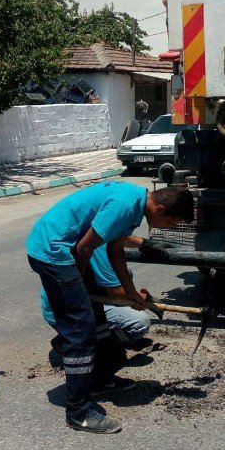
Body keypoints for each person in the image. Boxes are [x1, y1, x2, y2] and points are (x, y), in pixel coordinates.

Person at [26, 182, 195, 434]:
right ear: (159, 210)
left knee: (99, 322)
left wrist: (131, 293)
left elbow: (115, 249)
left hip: (68, 250)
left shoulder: (135, 203)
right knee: (80, 329)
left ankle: (100, 378)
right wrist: (80, 287)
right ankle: (78, 411)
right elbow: (84, 248)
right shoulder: (125, 205)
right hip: (53, 251)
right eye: (171, 223)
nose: (167, 229)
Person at [41, 238, 157, 367]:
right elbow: (116, 292)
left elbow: (121, 237)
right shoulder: (97, 248)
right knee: (140, 323)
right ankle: (75, 343)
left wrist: (145, 244)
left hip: (84, 297)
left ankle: (91, 336)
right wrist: (144, 299)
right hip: (66, 311)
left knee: (125, 273)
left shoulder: (99, 234)